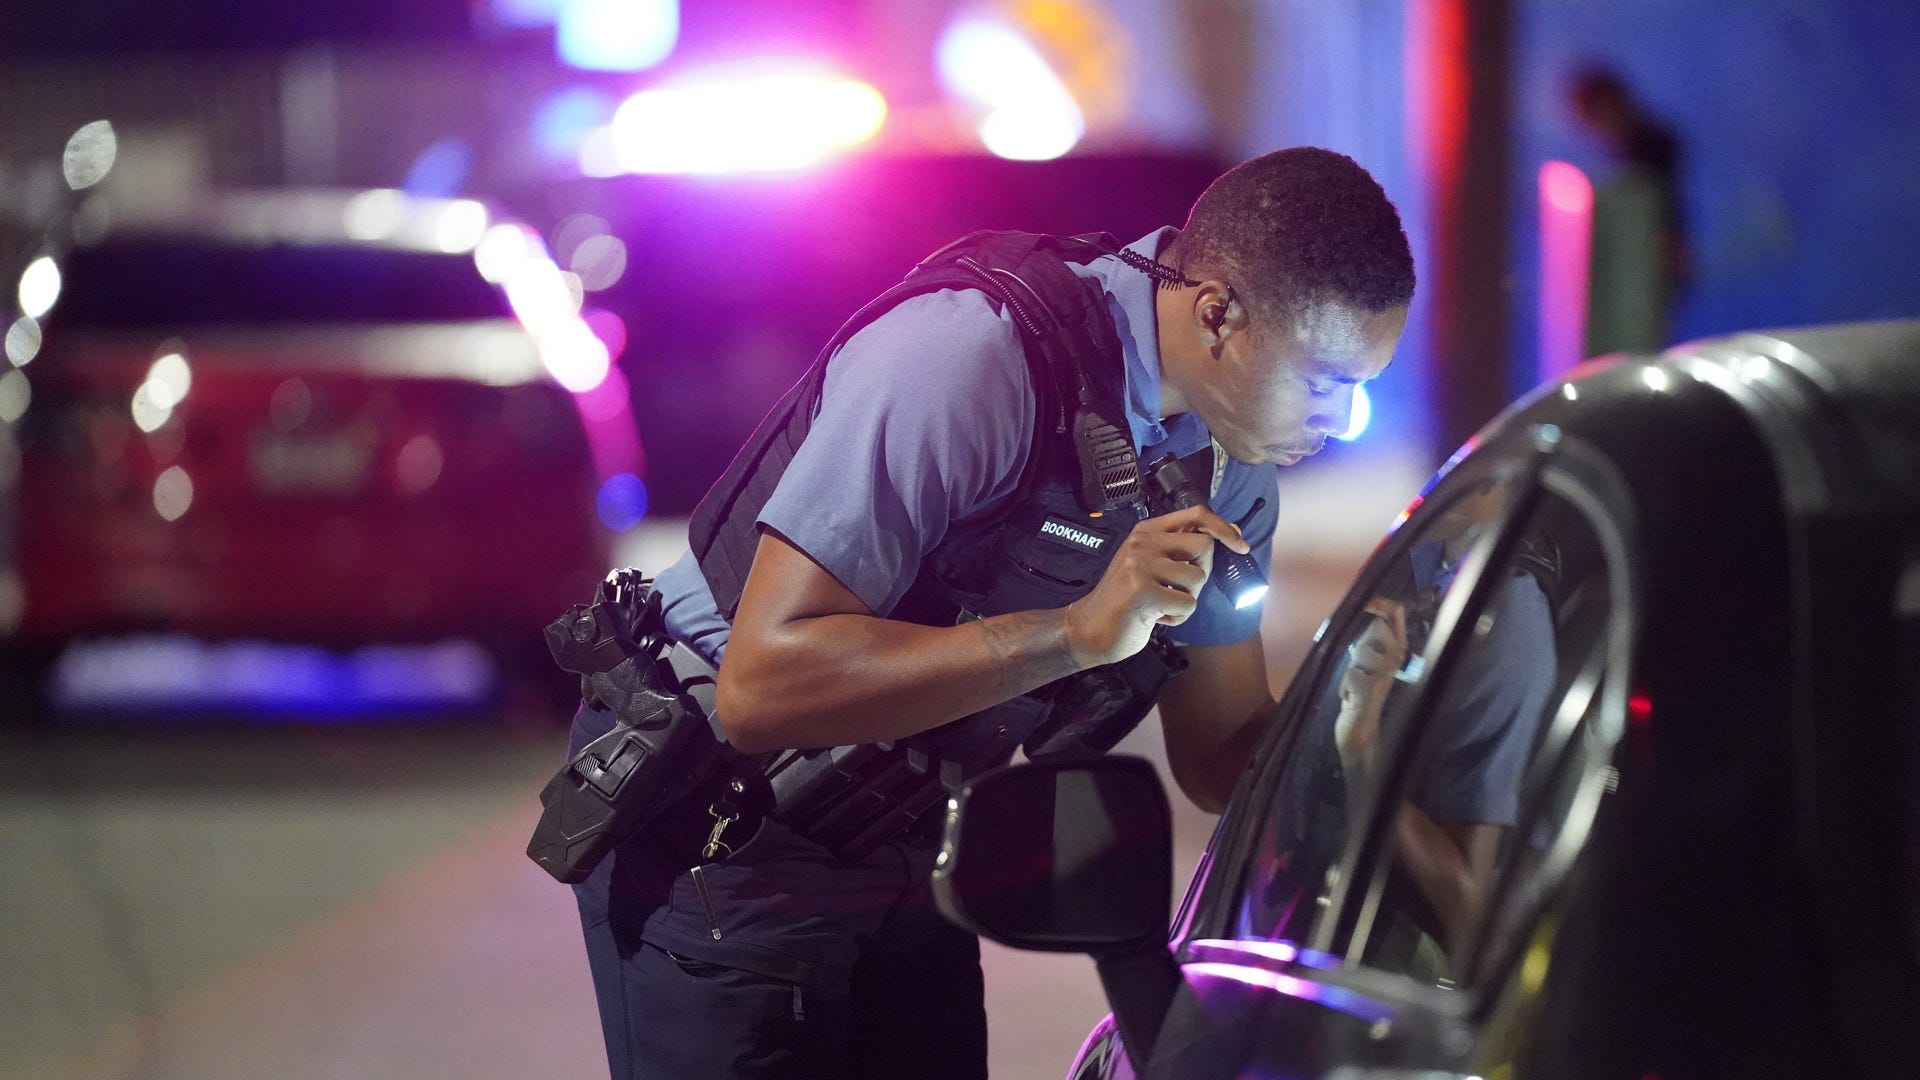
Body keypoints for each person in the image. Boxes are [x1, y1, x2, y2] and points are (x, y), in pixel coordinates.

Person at [567, 146, 1416, 1079]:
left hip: (912, 835)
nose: (1343, 421)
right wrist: (1077, 633)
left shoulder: (1233, 460)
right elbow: (761, 685)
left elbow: (1220, 754)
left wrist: (1359, 729)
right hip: (723, 828)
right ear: (1218, 313)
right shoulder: (972, 358)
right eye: (1329, 381)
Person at [1568, 64, 1690, 355]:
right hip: (1641, 263)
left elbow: (1660, 211)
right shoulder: (1629, 151)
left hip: (1645, 263)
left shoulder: (1652, 148)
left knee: (1639, 341)